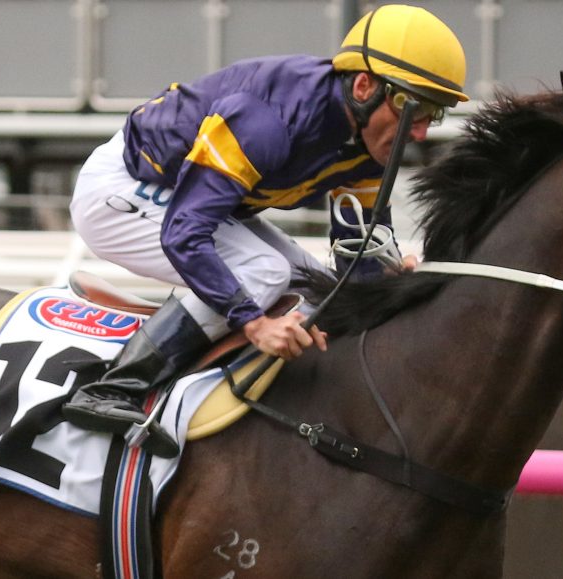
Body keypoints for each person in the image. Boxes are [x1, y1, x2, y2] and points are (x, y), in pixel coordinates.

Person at [62, 4, 468, 458]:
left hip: (193, 198)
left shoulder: (368, 146)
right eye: (414, 107)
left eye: (434, 114)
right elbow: (184, 232)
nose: (420, 133)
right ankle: (112, 388)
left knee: (316, 289)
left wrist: (392, 286)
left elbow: (357, 266)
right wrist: (254, 325)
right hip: (123, 188)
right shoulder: (266, 121)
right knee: (264, 271)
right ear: (363, 87)